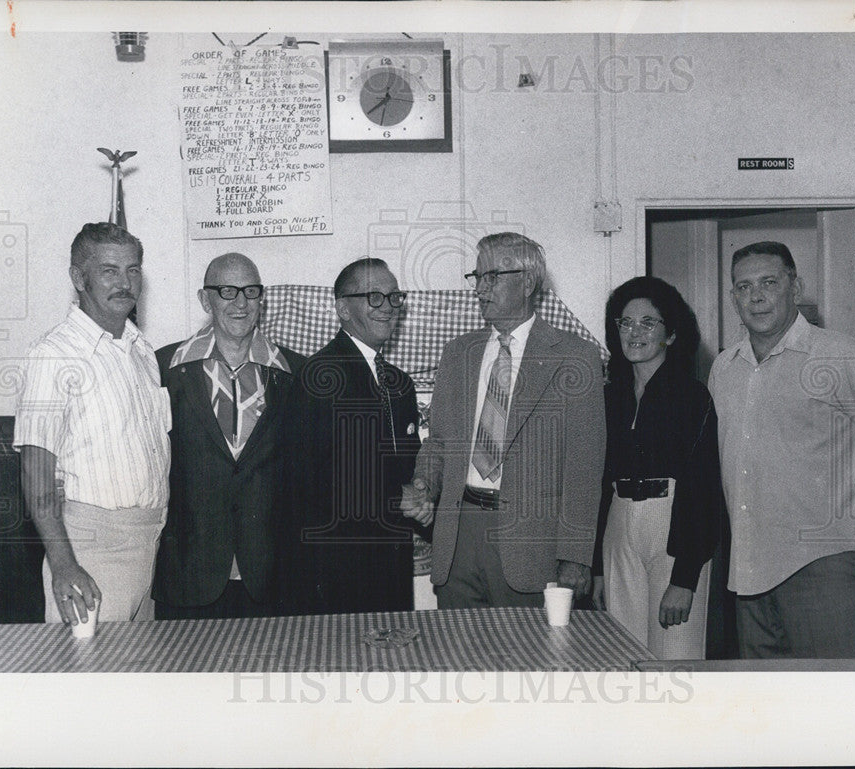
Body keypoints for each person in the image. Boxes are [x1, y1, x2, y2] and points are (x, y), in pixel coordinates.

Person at [709, 241, 855, 659]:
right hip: (749, 570)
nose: (756, 296)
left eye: (769, 282)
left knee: (835, 706)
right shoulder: (723, 368)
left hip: (828, 565)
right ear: (733, 298)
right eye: (743, 287)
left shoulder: (838, 354)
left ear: (795, 288)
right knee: (768, 711)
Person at [402, 232, 605, 608]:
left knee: (528, 662)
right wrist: (423, 482)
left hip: (533, 545)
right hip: (459, 536)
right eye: (476, 277)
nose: (480, 288)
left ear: (528, 282)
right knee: (458, 660)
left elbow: (584, 466)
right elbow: (439, 443)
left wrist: (575, 556)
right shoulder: (458, 352)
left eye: (492, 276)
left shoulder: (576, 357)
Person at [14, 222, 170, 625]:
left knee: (136, 677)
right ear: (78, 278)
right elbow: (36, 472)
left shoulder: (142, 352)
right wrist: (64, 564)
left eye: (133, 270)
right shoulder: (54, 354)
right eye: (109, 270)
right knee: (88, 678)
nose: (125, 283)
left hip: (150, 543)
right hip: (90, 549)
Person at [152, 253, 304, 619]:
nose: (240, 303)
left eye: (250, 291)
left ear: (262, 299)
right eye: (227, 291)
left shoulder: (296, 372)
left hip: (272, 577)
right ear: (206, 300)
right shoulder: (164, 367)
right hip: (190, 573)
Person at [591, 277, 722, 659]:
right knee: (623, 658)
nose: (634, 332)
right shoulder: (609, 397)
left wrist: (684, 579)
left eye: (648, 323)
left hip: (672, 527)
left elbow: (703, 489)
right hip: (619, 525)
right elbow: (599, 484)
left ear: (672, 333)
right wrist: (599, 566)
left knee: (675, 660)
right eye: (625, 322)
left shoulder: (692, 397)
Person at [287, 258, 423, 613]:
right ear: (342, 309)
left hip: (391, 565)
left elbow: (411, 463)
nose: (388, 308)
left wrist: (425, 492)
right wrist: (399, 496)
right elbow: (312, 480)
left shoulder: (400, 383)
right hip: (335, 570)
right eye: (374, 297)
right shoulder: (317, 378)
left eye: (394, 297)